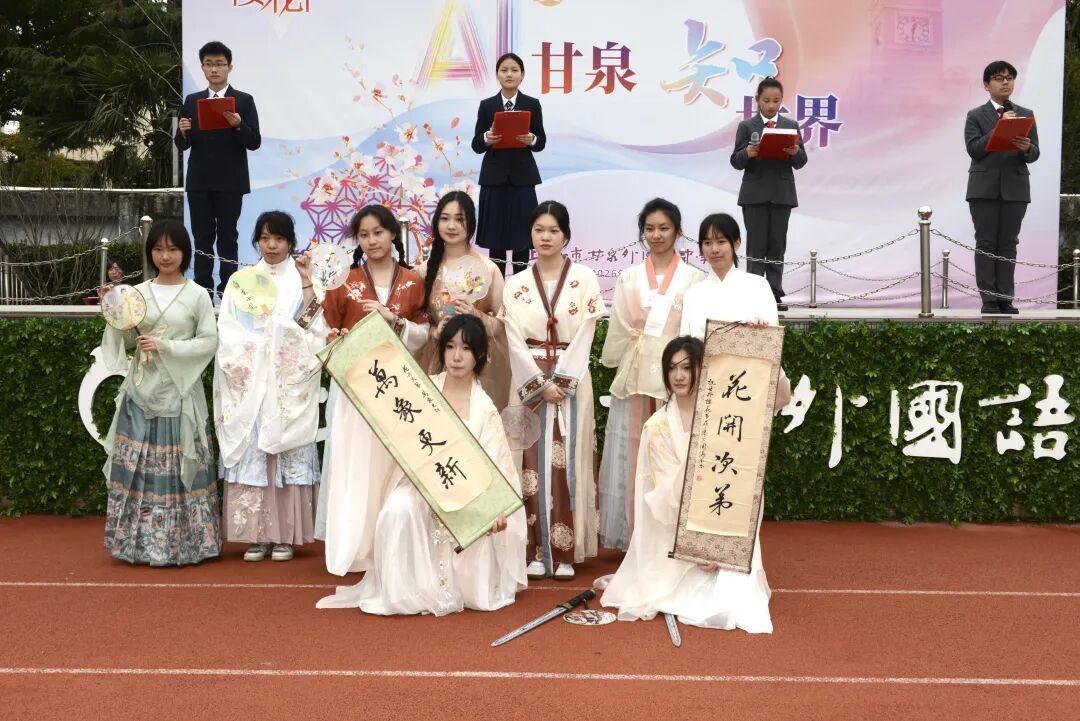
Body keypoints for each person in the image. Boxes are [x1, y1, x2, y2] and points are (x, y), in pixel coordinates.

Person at [317, 314, 527, 615]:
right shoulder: (422, 388)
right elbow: (373, 399)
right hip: (418, 485)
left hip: (464, 497)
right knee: (396, 511)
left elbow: (497, 466)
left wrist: (497, 511)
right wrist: (344, 352)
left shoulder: (485, 409)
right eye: (450, 346)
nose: (457, 356)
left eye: (466, 348)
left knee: (471, 529)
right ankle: (402, 593)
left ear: (480, 354)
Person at [600, 336, 778, 632]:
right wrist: (698, 548)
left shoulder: (725, 418)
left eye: (686, 367)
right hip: (674, 538)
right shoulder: (656, 427)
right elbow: (665, 498)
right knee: (702, 601)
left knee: (736, 601)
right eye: (672, 368)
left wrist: (759, 341)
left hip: (721, 527)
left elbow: (738, 482)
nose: (679, 376)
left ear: (702, 369)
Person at [317, 203, 431, 574]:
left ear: (393, 233)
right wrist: (334, 338)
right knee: (355, 465)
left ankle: (394, 545)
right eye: (364, 235)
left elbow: (425, 334)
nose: (372, 240)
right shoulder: (343, 280)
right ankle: (358, 545)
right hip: (355, 389)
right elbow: (325, 329)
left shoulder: (413, 281)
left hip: (400, 389)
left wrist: (395, 320)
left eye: (378, 232)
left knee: (393, 466)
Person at [100, 220, 220, 566]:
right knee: (138, 469)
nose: (165, 256)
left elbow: (209, 342)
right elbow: (126, 339)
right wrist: (113, 311)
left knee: (179, 466)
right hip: (141, 391)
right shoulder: (135, 293)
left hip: (181, 394)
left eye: (172, 249)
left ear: (185, 252)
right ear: (150, 252)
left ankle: (189, 545)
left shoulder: (197, 295)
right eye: (158, 249)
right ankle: (135, 545)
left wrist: (166, 346)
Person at [500, 200, 606, 579]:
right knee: (527, 461)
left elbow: (587, 331)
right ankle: (532, 549)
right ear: (530, 233)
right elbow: (513, 338)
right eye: (539, 230)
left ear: (566, 235)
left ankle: (564, 553)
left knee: (569, 460)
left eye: (553, 230)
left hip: (570, 380)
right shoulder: (515, 284)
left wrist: (561, 382)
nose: (545, 237)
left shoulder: (585, 278)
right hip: (527, 381)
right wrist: (537, 385)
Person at [214, 211, 326, 563]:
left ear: (291, 241)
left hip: (287, 379)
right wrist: (255, 348)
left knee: (284, 451)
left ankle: (284, 536)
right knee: (254, 451)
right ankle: (256, 536)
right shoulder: (242, 280)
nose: (272, 245)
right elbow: (228, 328)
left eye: (278, 238)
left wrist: (283, 338)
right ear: (257, 242)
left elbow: (315, 325)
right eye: (264, 238)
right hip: (253, 379)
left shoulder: (303, 278)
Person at [597, 198, 704, 551]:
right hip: (635, 377)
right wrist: (620, 358)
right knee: (632, 455)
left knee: (673, 453)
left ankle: (673, 536)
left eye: (664, 228)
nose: (656, 235)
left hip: (676, 379)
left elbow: (695, 332)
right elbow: (619, 326)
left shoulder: (694, 279)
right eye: (650, 229)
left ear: (678, 232)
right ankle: (635, 537)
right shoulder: (628, 277)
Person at [174, 40, 261, 297]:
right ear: (202, 68)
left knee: (227, 237)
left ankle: (228, 290)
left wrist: (238, 125)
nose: (214, 69)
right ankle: (202, 289)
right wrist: (182, 132)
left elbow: (254, 142)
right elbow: (182, 144)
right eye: (209, 64)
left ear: (229, 67)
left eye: (220, 64)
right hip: (199, 181)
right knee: (201, 237)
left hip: (231, 182)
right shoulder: (192, 100)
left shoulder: (243, 101)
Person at [417, 191, 511, 409]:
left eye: (460, 219)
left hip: (477, 366)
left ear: (471, 224)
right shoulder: (424, 270)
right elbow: (416, 321)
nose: (451, 226)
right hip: (436, 362)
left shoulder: (488, 269)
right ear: (436, 222)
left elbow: (504, 326)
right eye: (445, 218)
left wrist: (476, 316)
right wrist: (434, 331)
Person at [965, 60, 1040, 315]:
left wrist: (1027, 148)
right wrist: (998, 128)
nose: (1005, 82)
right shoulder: (976, 115)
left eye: (1009, 78)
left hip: (1015, 188)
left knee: (1008, 243)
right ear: (986, 85)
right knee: (986, 242)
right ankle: (989, 299)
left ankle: (1005, 298)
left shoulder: (1025, 113)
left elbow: (1035, 153)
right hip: (983, 189)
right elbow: (974, 150)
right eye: (999, 78)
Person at [730, 77, 807, 311]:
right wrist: (748, 153)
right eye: (766, 100)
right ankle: (754, 295)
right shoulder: (747, 126)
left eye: (776, 100)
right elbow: (735, 161)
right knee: (756, 246)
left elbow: (801, 161)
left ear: (781, 100)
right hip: (754, 195)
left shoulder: (791, 125)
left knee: (777, 245)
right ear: (757, 100)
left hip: (782, 194)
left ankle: (774, 294)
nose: (771, 105)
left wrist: (794, 151)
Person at [472, 52, 547, 277]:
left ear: (522, 75)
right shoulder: (487, 105)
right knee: (496, 238)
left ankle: (520, 285)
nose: (509, 74)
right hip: (494, 180)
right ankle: (497, 287)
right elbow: (476, 145)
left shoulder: (532, 104)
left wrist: (531, 139)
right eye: (504, 70)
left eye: (514, 70)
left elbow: (541, 142)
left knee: (522, 238)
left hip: (522, 180)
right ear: (497, 75)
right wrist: (486, 138)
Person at [680, 213, 779, 336]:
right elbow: (685, 340)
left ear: (736, 243)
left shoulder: (759, 286)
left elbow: (772, 335)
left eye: (721, 241)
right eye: (707, 243)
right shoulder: (693, 294)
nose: (714, 249)